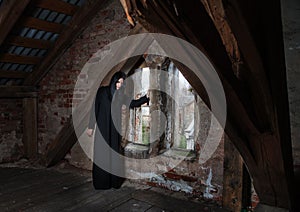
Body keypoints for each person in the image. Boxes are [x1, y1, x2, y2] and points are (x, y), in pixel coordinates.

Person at [87, 71, 149, 189]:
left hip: (114, 129)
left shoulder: (121, 96)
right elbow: (94, 109)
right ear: (114, 80)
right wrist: (91, 126)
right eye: (118, 82)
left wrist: (145, 98)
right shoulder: (102, 92)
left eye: (122, 83)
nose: (119, 85)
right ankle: (101, 183)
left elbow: (132, 103)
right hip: (102, 128)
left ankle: (113, 182)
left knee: (113, 154)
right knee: (102, 154)